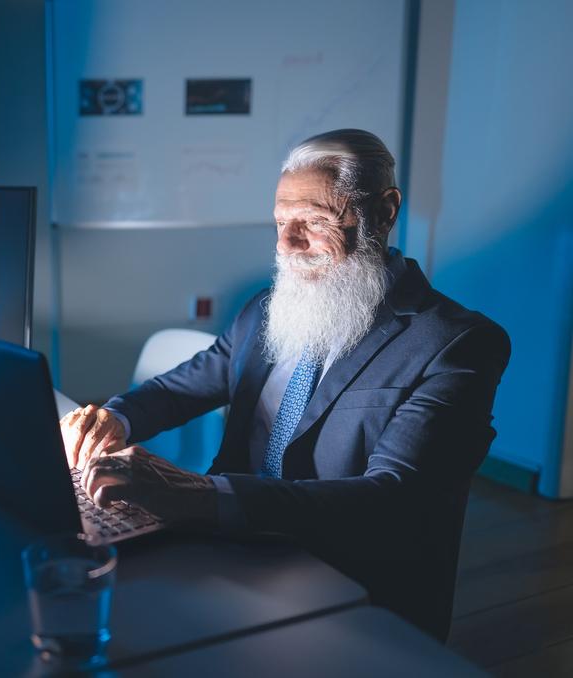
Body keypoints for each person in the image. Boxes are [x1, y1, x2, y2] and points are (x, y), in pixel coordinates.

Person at [59, 129, 510, 641]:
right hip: (224, 547)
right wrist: (112, 417)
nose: (286, 246)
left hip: (346, 584)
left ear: (384, 212)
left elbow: (394, 500)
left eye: (313, 222)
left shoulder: (458, 341)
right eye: (279, 223)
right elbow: (185, 386)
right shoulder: (267, 306)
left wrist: (202, 495)